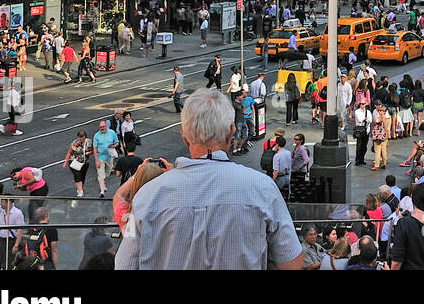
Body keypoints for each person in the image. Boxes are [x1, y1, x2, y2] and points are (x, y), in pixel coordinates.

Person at [115, 88, 302, 269]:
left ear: (185, 137)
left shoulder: (146, 196)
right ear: (231, 132)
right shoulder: (262, 188)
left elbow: (125, 264)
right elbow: (292, 262)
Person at [92, 118, 119, 199]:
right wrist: (96, 160)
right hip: (100, 157)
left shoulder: (112, 133)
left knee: (108, 171)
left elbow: (117, 142)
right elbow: (94, 148)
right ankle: (102, 190)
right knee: (100, 174)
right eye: (101, 127)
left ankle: (103, 183)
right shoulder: (96, 135)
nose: (102, 128)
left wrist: (114, 146)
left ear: (106, 126)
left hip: (109, 156)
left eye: (103, 127)